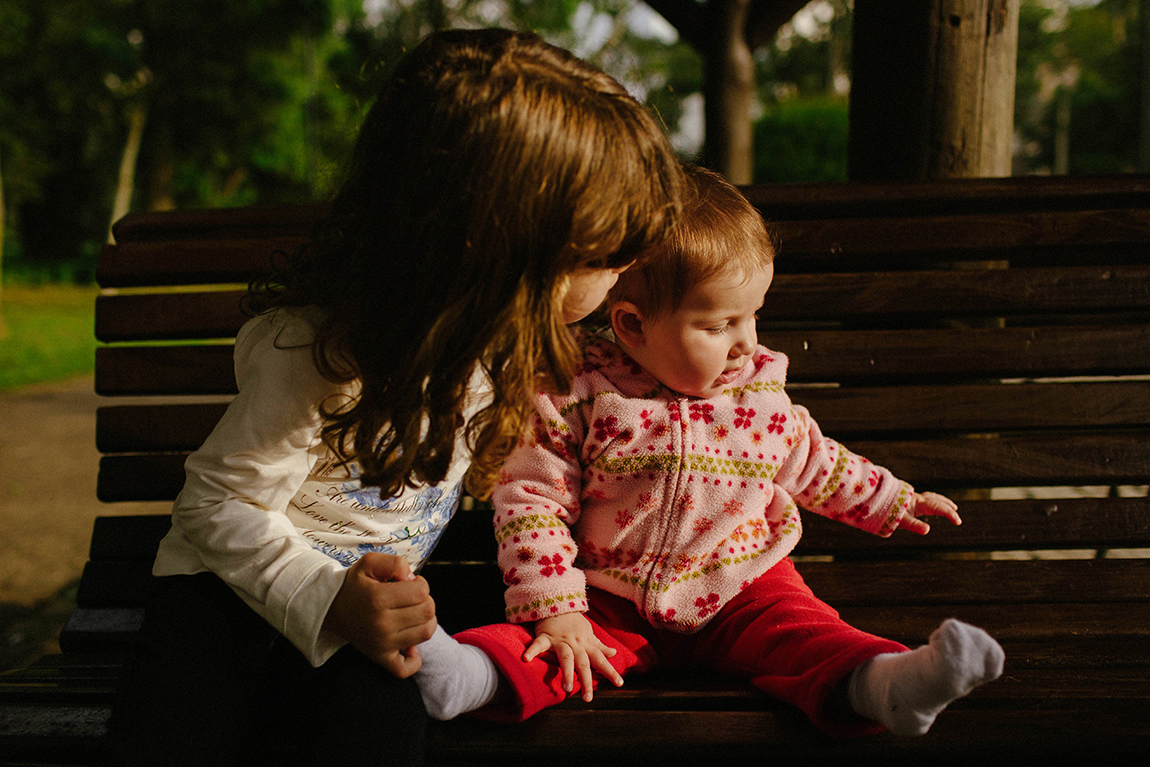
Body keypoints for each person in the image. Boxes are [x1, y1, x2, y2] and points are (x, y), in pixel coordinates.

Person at [105, 28, 685, 766]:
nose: (625, 271)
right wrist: (331, 597)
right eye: (603, 254)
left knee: (381, 728)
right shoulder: (320, 353)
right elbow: (217, 506)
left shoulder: (505, 343)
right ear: (503, 253)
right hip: (225, 599)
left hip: (368, 615)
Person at [413, 165, 1005, 738]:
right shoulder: (576, 395)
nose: (747, 341)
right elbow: (534, 501)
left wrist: (891, 499)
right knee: (561, 649)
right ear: (632, 325)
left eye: (754, 315)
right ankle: (472, 675)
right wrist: (555, 605)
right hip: (609, 595)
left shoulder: (760, 396)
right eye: (719, 324)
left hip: (741, 585)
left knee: (806, 632)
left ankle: (888, 683)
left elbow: (817, 462)